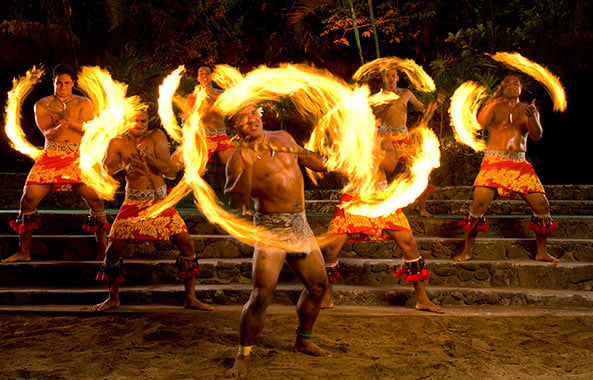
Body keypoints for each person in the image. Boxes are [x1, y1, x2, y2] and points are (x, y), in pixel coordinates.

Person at [224, 104, 331, 378]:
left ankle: (303, 340)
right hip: (271, 229)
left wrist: (327, 162)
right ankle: (243, 355)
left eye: (253, 113)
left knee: (318, 288)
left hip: (300, 225)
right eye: (243, 117)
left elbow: (307, 159)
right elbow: (236, 201)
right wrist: (246, 168)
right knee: (261, 295)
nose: (251, 119)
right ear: (235, 128)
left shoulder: (283, 137)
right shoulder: (238, 158)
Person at [91, 108, 214, 311]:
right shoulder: (117, 142)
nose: (141, 124)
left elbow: (170, 170)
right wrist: (125, 165)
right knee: (113, 251)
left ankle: (190, 297)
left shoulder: (156, 136)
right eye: (136, 120)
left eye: (144, 120)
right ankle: (112, 298)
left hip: (160, 202)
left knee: (187, 244)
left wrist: (149, 159)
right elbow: (105, 171)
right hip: (133, 204)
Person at [321, 127, 444, 314]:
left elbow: (391, 165)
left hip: (382, 197)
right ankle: (326, 297)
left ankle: (422, 299)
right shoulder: (344, 128)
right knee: (330, 248)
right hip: (354, 197)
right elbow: (339, 170)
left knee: (409, 244)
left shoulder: (382, 134)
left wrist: (372, 151)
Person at [2, 64, 108, 263]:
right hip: (52, 155)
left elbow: (90, 131)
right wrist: (61, 125)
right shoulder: (42, 105)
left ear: (73, 83)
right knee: (28, 199)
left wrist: (68, 122)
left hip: (78, 156)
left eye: (67, 83)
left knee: (96, 200)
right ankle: (24, 251)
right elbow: (48, 133)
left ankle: (103, 251)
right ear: (54, 82)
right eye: (59, 83)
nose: (63, 87)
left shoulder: (84, 103)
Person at [454, 74, 559, 263]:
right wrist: (490, 102)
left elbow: (536, 136)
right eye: (508, 83)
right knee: (478, 205)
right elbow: (479, 123)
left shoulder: (529, 109)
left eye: (516, 83)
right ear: (503, 87)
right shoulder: (494, 107)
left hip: (518, 164)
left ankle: (541, 252)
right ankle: (467, 250)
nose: (512, 85)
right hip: (494, 162)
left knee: (542, 205)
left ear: (521, 88)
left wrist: (532, 118)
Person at [373, 68, 434, 217]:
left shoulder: (406, 94)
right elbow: (375, 117)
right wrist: (387, 103)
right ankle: (381, 209)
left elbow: (422, 108)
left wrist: (434, 105)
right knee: (379, 173)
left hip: (402, 138)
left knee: (420, 170)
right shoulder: (377, 97)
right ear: (383, 79)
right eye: (387, 75)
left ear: (397, 78)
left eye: (393, 75)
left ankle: (421, 209)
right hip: (385, 137)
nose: (390, 78)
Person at [179, 64, 235, 166]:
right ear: (198, 78)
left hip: (220, 137)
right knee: (191, 170)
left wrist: (210, 96)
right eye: (201, 74)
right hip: (200, 139)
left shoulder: (221, 94)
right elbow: (186, 119)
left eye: (207, 73)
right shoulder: (192, 97)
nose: (204, 76)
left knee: (234, 165)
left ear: (212, 76)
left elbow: (229, 110)